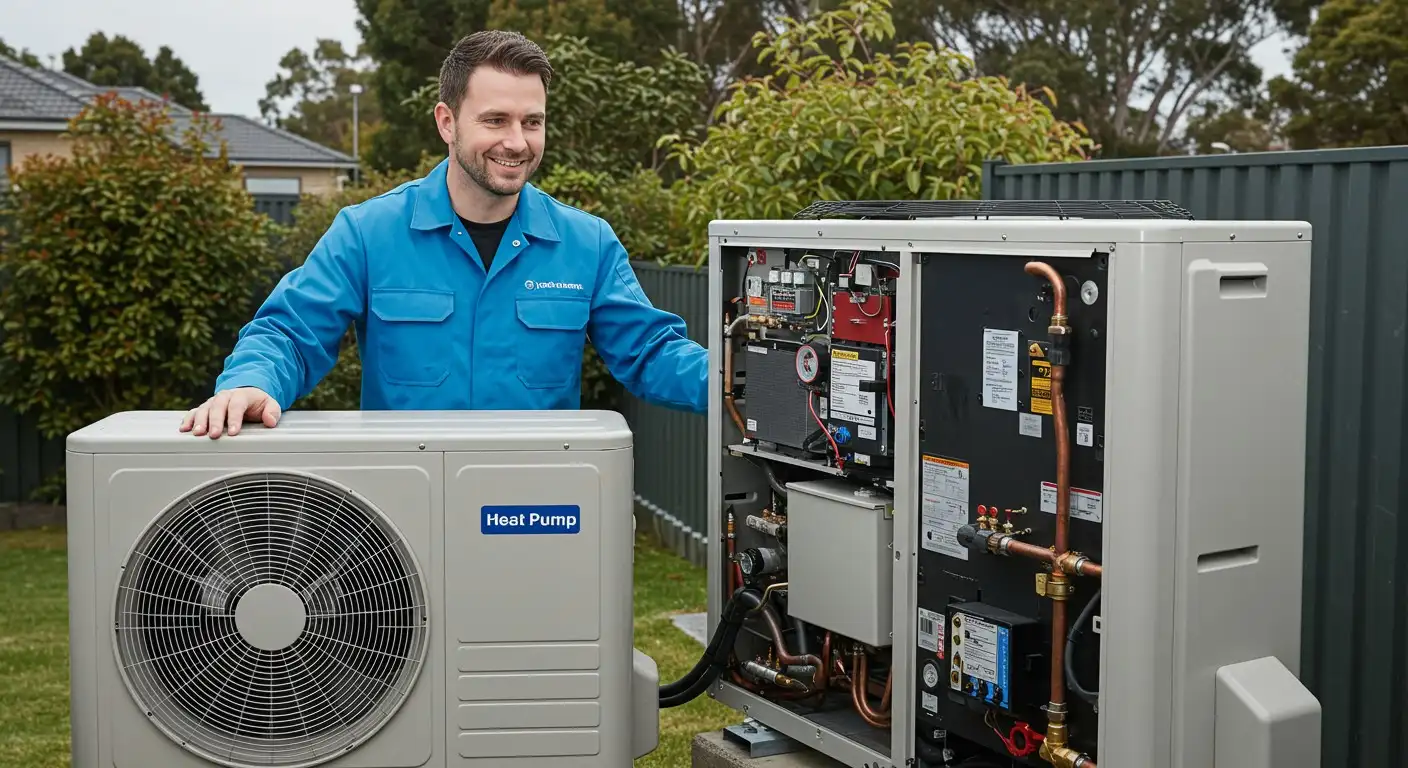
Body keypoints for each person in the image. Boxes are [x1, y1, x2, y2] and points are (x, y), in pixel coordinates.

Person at [181, 30, 708, 439]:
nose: (517, 142)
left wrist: (747, 379)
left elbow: (652, 353)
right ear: (447, 122)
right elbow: (289, 333)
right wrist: (252, 382)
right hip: (400, 521)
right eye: (496, 120)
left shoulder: (586, 244)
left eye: (533, 122)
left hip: (535, 514)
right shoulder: (368, 233)